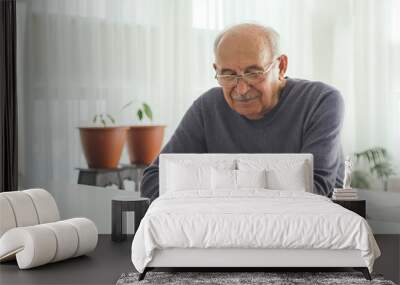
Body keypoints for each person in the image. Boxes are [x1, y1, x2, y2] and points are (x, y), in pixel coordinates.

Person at [141, 23, 344, 202]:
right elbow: (154, 181)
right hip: (217, 236)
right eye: (228, 75)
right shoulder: (208, 107)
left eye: (253, 73)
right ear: (217, 70)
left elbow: (315, 191)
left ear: (280, 67)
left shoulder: (320, 101)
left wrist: (218, 189)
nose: (241, 89)